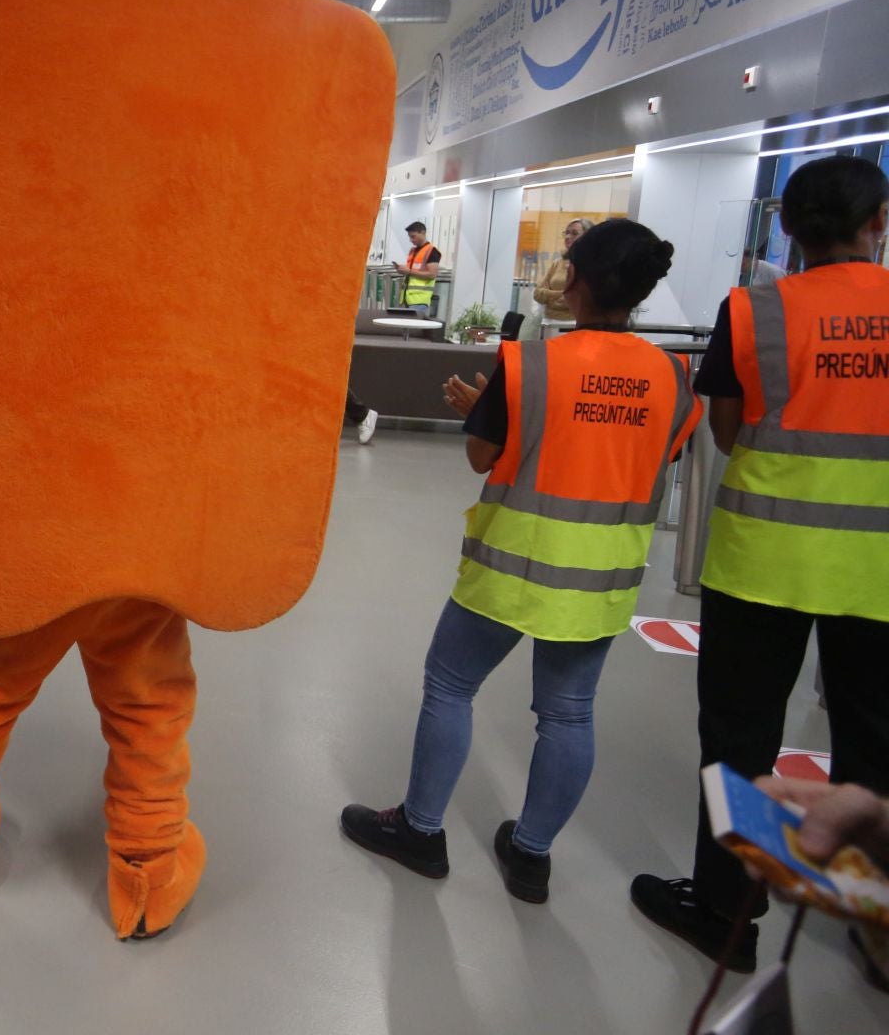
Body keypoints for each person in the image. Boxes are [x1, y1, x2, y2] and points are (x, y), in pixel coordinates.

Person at [342, 219, 700, 904]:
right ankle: (531, 855)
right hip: (601, 578)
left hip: (512, 565)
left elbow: (484, 457)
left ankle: (421, 831)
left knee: (450, 686)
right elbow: (661, 455)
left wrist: (488, 416)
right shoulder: (672, 375)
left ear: (579, 282)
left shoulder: (528, 364)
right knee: (568, 714)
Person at [633, 155, 889, 974]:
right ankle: (872, 920)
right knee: (876, 748)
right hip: (879, 570)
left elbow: (730, 429)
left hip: (762, 560)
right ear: (877, 224)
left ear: (785, 227)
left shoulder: (753, 310)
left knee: (739, 739)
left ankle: (723, 914)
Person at [524, 218, 591, 337]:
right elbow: (538, 294)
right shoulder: (557, 263)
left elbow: (581, 299)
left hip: (573, 325)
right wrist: (562, 294)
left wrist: (550, 295)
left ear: (587, 236)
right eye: (567, 232)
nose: (568, 236)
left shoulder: (590, 265)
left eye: (574, 233)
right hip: (548, 322)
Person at [396, 221, 442, 317]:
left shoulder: (432, 251)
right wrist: (403, 270)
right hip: (406, 299)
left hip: (419, 301)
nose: (411, 240)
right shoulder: (413, 251)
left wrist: (409, 271)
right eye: (409, 237)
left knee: (414, 330)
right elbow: (412, 272)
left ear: (423, 233)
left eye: (413, 236)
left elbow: (432, 274)